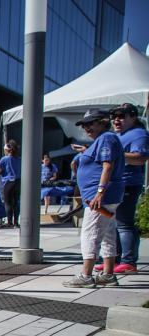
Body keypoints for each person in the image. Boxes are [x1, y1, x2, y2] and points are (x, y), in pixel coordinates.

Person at [63, 109, 125, 288]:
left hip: (100, 198)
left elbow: (108, 166)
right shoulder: (104, 140)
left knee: (90, 234)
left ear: (102, 122)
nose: (86, 128)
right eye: (84, 125)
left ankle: (86, 276)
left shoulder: (106, 138)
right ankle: (107, 274)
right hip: (105, 196)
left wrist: (100, 191)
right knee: (107, 234)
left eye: (91, 123)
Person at [104, 103, 148, 275]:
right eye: (114, 116)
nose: (116, 119)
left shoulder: (138, 134)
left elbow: (140, 158)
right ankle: (115, 260)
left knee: (124, 224)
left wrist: (113, 156)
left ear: (133, 117)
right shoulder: (120, 134)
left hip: (128, 184)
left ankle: (128, 261)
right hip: (116, 184)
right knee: (114, 224)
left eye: (122, 116)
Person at [0, 140, 22, 228]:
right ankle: (16, 222)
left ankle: (9, 222)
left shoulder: (4, 159)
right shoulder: (19, 159)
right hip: (18, 182)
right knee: (16, 202)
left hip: (8, 182)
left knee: (8, 202)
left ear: (8, 150)